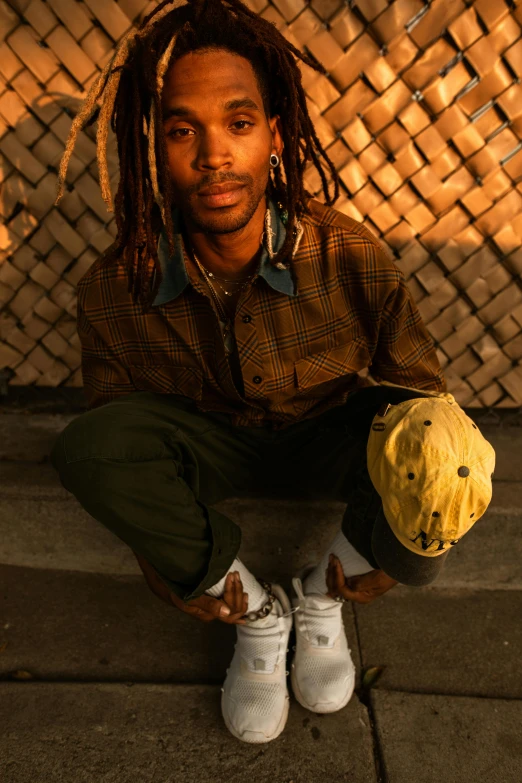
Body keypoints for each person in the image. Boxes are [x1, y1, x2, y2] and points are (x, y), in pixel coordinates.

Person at [49, 0, 496, 745]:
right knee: (86, 446)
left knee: (442, 443)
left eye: (239, 123)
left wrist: (405, 544)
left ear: (275, 136)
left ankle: (324, 593)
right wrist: (168, 560)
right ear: (155, 149)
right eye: (183, 130)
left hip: (329, 436)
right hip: (212, 446)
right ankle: (254, 606)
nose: (214, 155)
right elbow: (116, 435)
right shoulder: (112, 287)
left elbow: (421, 393)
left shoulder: (347, 253)